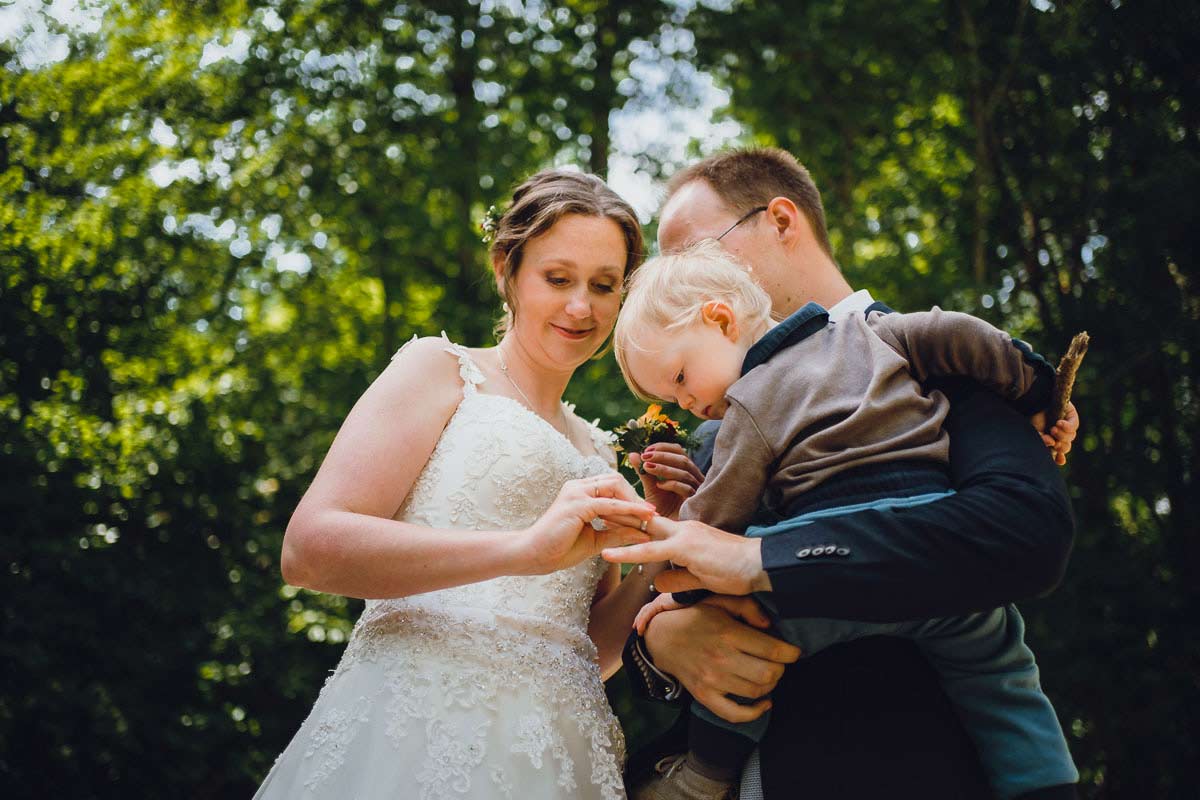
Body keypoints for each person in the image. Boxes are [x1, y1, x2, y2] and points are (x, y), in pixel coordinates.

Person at [612, 147, 1080, 799]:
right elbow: (663, 614)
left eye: (697, 252)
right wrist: (663, 639)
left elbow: (1026, 534)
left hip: (913, 769)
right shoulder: (717, 413)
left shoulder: (932, 363)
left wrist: (763, 559)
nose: (680, 281)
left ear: (780, 220)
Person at [254, 169, 696, 800]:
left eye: (604, 286)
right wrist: (523, 551)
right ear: (505, 270)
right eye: (558, 278)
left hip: (555, 751)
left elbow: (591, 651)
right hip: (415, 724)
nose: (582, 307)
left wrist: (663, 533)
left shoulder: (600, 454)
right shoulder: (441, 371)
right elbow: (308, 550)